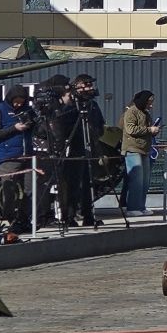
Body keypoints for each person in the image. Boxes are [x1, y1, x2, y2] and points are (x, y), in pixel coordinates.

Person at [0, 83, 43, 232]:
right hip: (8, 157)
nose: (18, 104)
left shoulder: (28, 110)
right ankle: (11, 218)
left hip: (27, 156)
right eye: (16, 101)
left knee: (31, 190)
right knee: (9, 192)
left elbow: (38, 128)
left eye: (21, 101)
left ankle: (24, 218)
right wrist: (15, 128)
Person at [55, 73, 106, 227]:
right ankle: (69, 216)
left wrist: (93, 132)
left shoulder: (92, 105)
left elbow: (99, 126)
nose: (90, 88)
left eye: (90, 85)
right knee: (72, 185)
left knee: (89, 183)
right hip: (74, 151)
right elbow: (63, 127)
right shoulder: (71, 106)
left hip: (90, 149)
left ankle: (88, 215)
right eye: (86, 85)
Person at [120, 91, 161, 215]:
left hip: (145, 149)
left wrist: (154, 131)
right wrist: (149, 129)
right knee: (136, 180)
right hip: (132, 149)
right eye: (149, 102)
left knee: (145, 181)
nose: (151, 106)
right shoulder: (131, 112)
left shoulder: (146, 113)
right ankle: (132, 208)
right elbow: (130, 129)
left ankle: (141, 206)